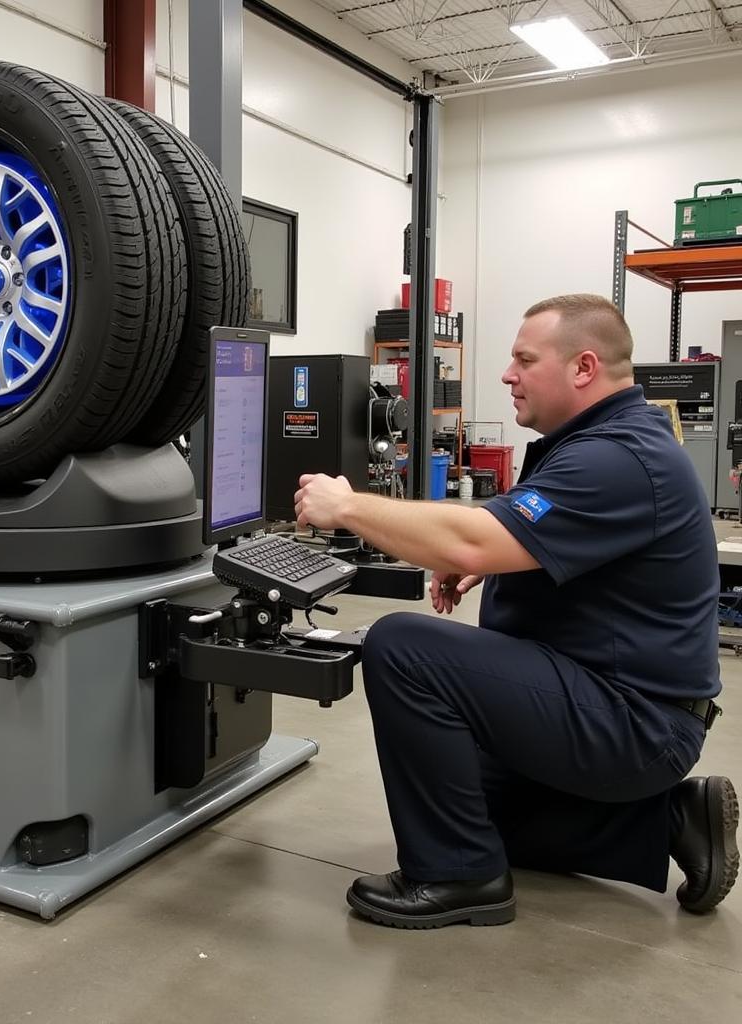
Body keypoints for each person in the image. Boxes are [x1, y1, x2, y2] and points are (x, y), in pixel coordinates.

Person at [294, 294, 738, 930]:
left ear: (583, 368)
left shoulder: (618, 458)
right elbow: (531, 536)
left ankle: (459, 875)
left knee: (404, 646)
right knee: (466, 806)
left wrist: (350, 506)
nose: (507, 375)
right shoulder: (595, 441)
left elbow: (474, 533)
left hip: (634, 725)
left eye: (524, 360)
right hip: (620, 708)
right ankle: (668, 819)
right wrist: (506, 558)